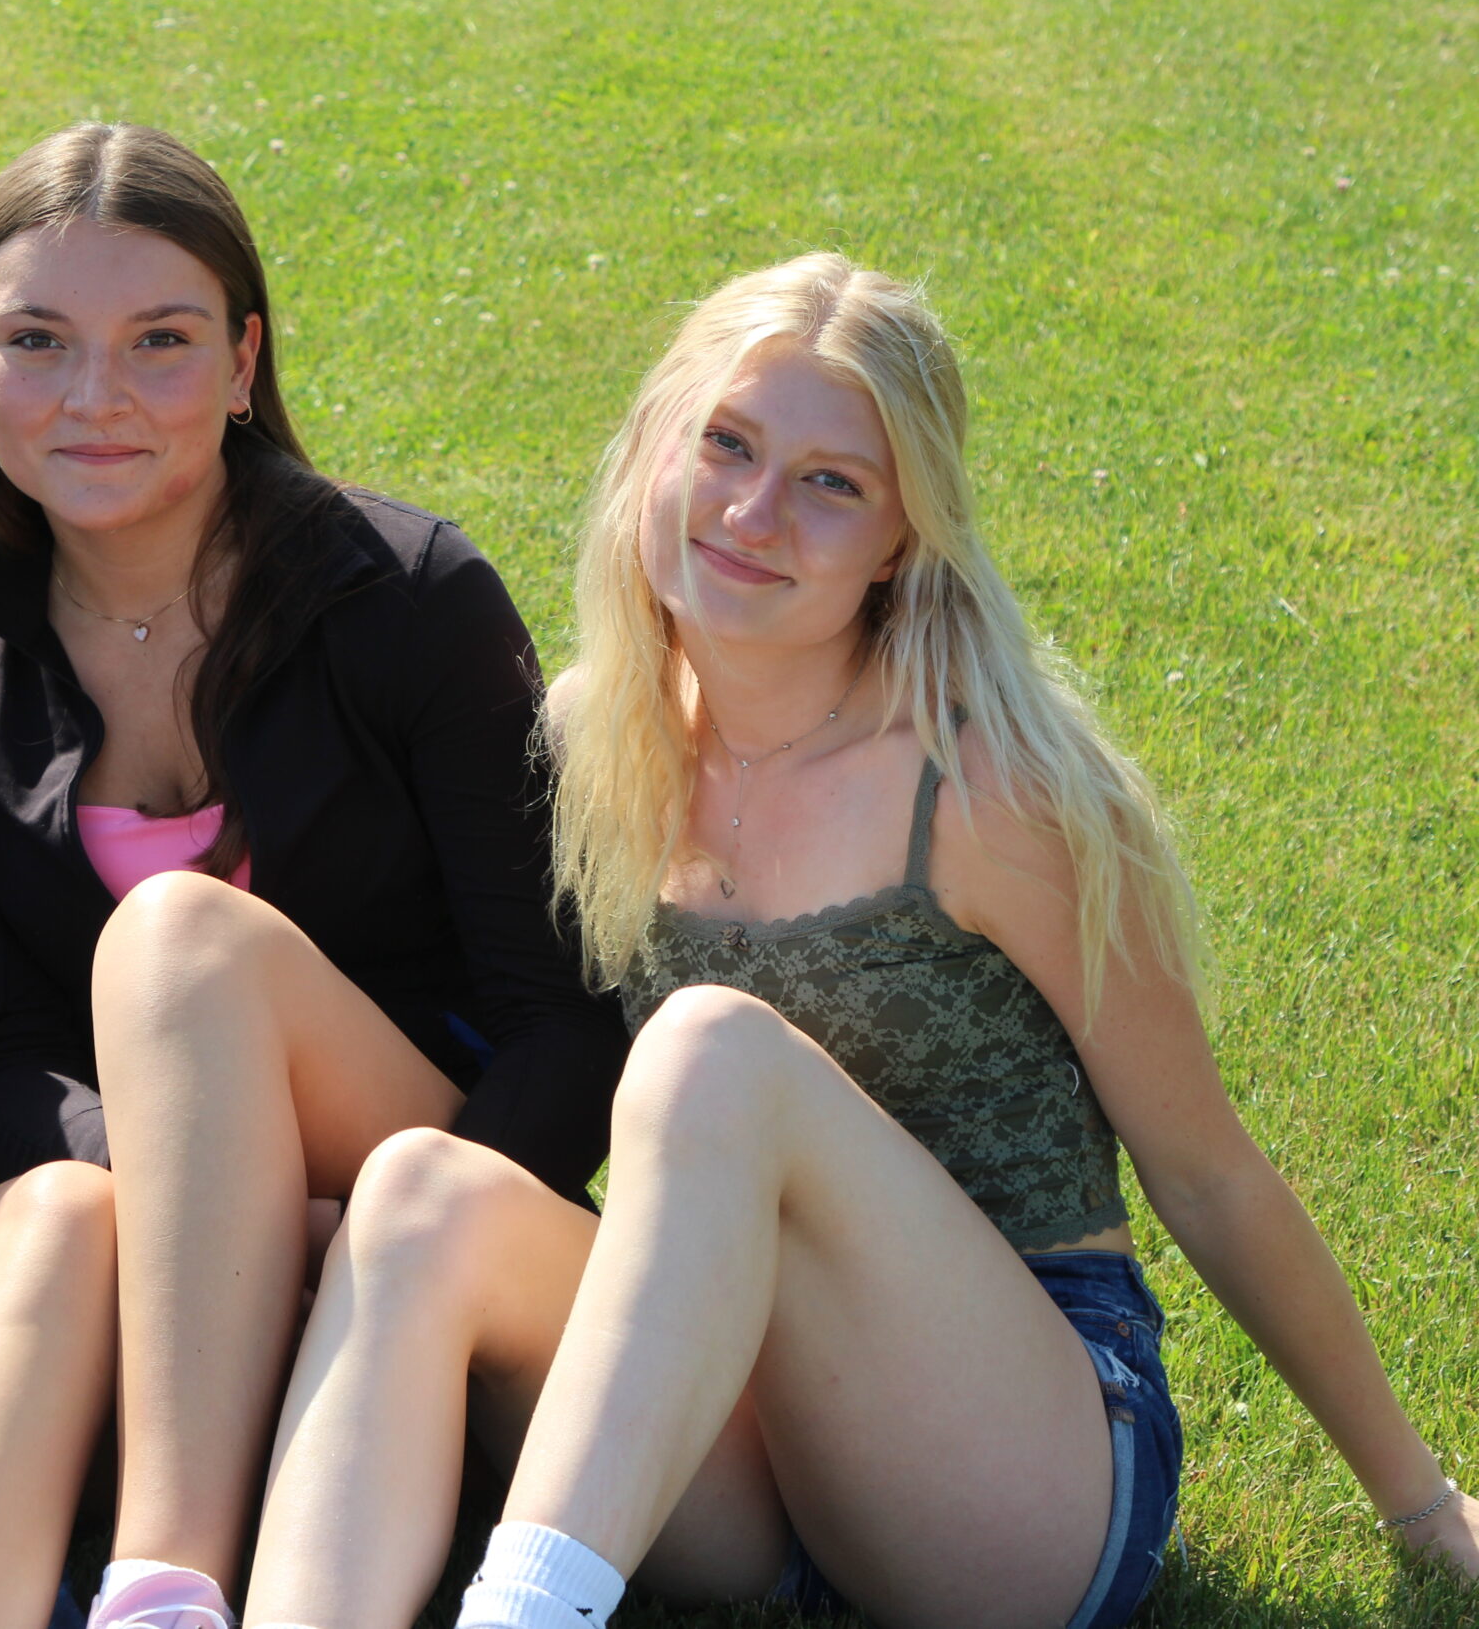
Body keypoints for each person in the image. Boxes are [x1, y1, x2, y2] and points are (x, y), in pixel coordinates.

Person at [240, 252, 1479, 1629]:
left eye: (834, 483)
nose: (756, 511)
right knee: (418, 1190)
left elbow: (1209, 1174)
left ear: (906, 535)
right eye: (726, 443)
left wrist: (1423, 1508)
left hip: (1023, 1471)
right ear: (654, 443)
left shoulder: (993, 791)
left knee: (715, 1051)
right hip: (741, 1430)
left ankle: (526, 1612)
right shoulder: (595, 733)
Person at [0, 123, 622, 1629]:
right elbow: (1, 1068)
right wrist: (203, 1223)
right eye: (37, 340)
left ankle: (165, 1578)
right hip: (148, 1225)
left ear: (243, 360)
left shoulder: (409, 602)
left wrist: (360, 1246)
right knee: (48, 1223)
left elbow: (567, 1029)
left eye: (160, 341)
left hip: (429, 1206)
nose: (96, 396)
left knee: (182, 942)